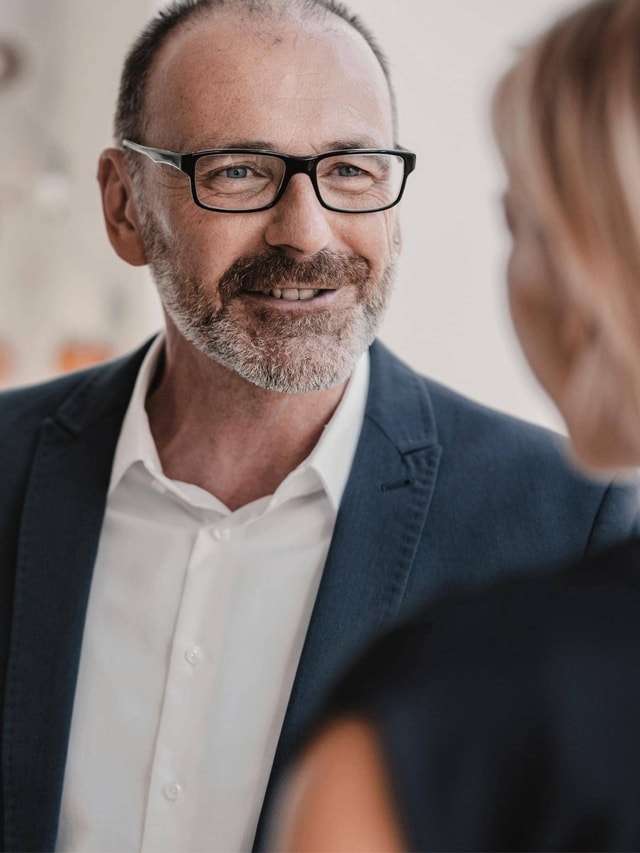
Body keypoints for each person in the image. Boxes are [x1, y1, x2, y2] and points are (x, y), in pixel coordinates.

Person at [0, 1, 638, 851]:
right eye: (236, 171)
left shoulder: (568, 521)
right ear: (124, 207)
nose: (305, 233)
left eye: (352, 170)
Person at [272, 0, 640, 850]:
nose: (304, 230)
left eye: (521, 220)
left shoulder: (445, 717)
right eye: (240, 172)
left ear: (583, 273)